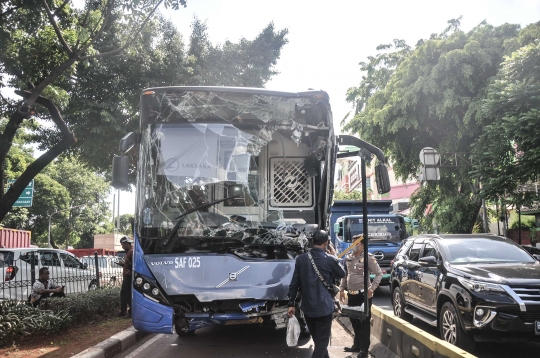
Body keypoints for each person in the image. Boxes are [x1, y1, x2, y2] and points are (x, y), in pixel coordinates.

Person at [287, 230, 345, 358]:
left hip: (308, 308)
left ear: (312, 242)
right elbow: (342, 274)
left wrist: (291, 303)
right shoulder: (330, 259)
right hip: (324, 308)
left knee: (319, 341)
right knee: (321, 345)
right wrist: (335, 256)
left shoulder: (301, 259)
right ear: (326, 243)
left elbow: (294, 283)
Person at [339, 234, 383, 358]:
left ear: (362, 245)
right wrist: (342, 289)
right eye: (352, 243)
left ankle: (364, 349)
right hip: (351, 295)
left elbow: (379, 273)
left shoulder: (368, 257)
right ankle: (357, 344)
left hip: (363, 295)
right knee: (354, 320)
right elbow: (345, 274)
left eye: (356, 243)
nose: (353, 246)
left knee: (364, 322)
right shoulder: (349, 257)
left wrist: (372, 288)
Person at [117, 236, 134, 317]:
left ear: (127, 243)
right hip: (127, 275)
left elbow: (134, 265)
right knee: (124, 294)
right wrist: (123, 264)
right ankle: (123, 311)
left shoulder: (132, 252)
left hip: (129, 276)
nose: (122, 246)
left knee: (128, 294)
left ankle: (131, 312)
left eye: (122, 244)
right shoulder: (129, 252)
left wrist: (128, 262)